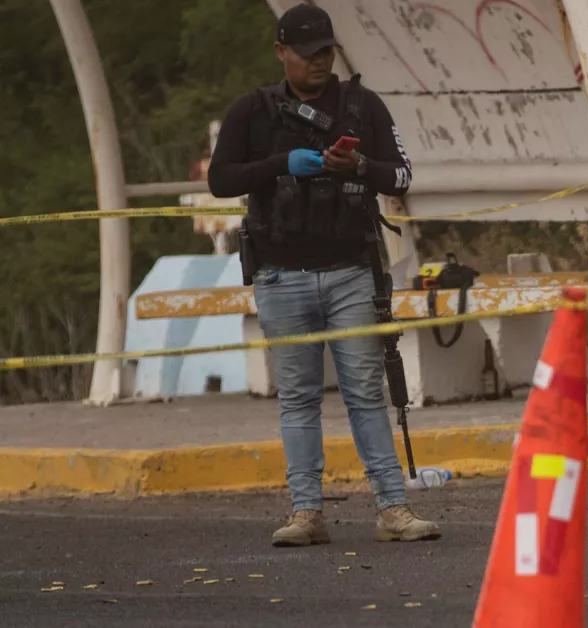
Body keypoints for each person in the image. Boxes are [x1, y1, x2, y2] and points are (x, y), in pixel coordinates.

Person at [207, 3, 441, 547]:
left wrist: (357, 166)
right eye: (309, 53)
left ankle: (392, 508)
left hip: (351, 273)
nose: (320, 62)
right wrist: (281, 164)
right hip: (280, 275)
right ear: (281, 53)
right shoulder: (253, 111)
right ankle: (306, 513)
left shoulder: (363, 105)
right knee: (298, 397)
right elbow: (221, 180)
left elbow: (402, 175)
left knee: (364, 390)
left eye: (327, 52)